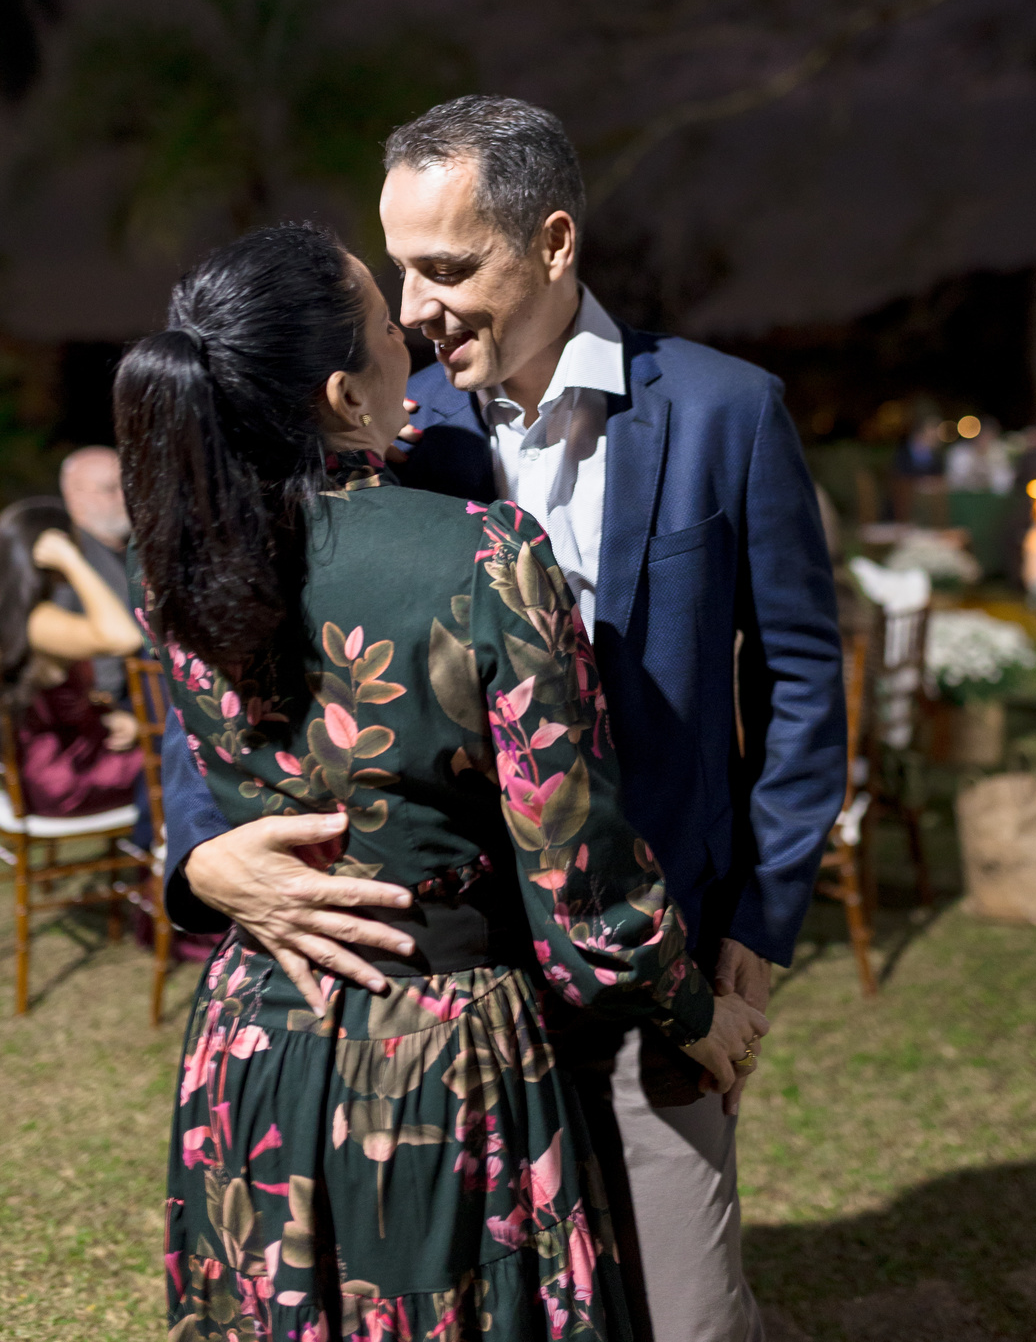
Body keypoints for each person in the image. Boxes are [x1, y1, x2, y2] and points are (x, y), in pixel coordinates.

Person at [160, 96, 847, 1342]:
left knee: (690, 1315)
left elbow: (798, 680)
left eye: (445, 267)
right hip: (454, 992)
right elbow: (222, 625)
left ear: (554, 241)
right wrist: (202, 855)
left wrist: (762, 914)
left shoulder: (728, 410)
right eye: (400, 272)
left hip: (655, 958)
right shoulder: (387, 428)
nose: (415, 307)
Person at [0, 496, 143, 817]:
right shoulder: (39, 622)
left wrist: (103, 716)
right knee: (183, 762)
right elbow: (124, 638)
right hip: (67, 778)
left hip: (59, 767)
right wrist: (72, 561)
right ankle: (155, 847)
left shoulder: (20, 618)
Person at [56, 445, 136, 701]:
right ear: (74, 495)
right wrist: (104, 705)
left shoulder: (140, 547)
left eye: (129, 486)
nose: (124, 497)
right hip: (112, 701)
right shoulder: (65, 555)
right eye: (110, 488)